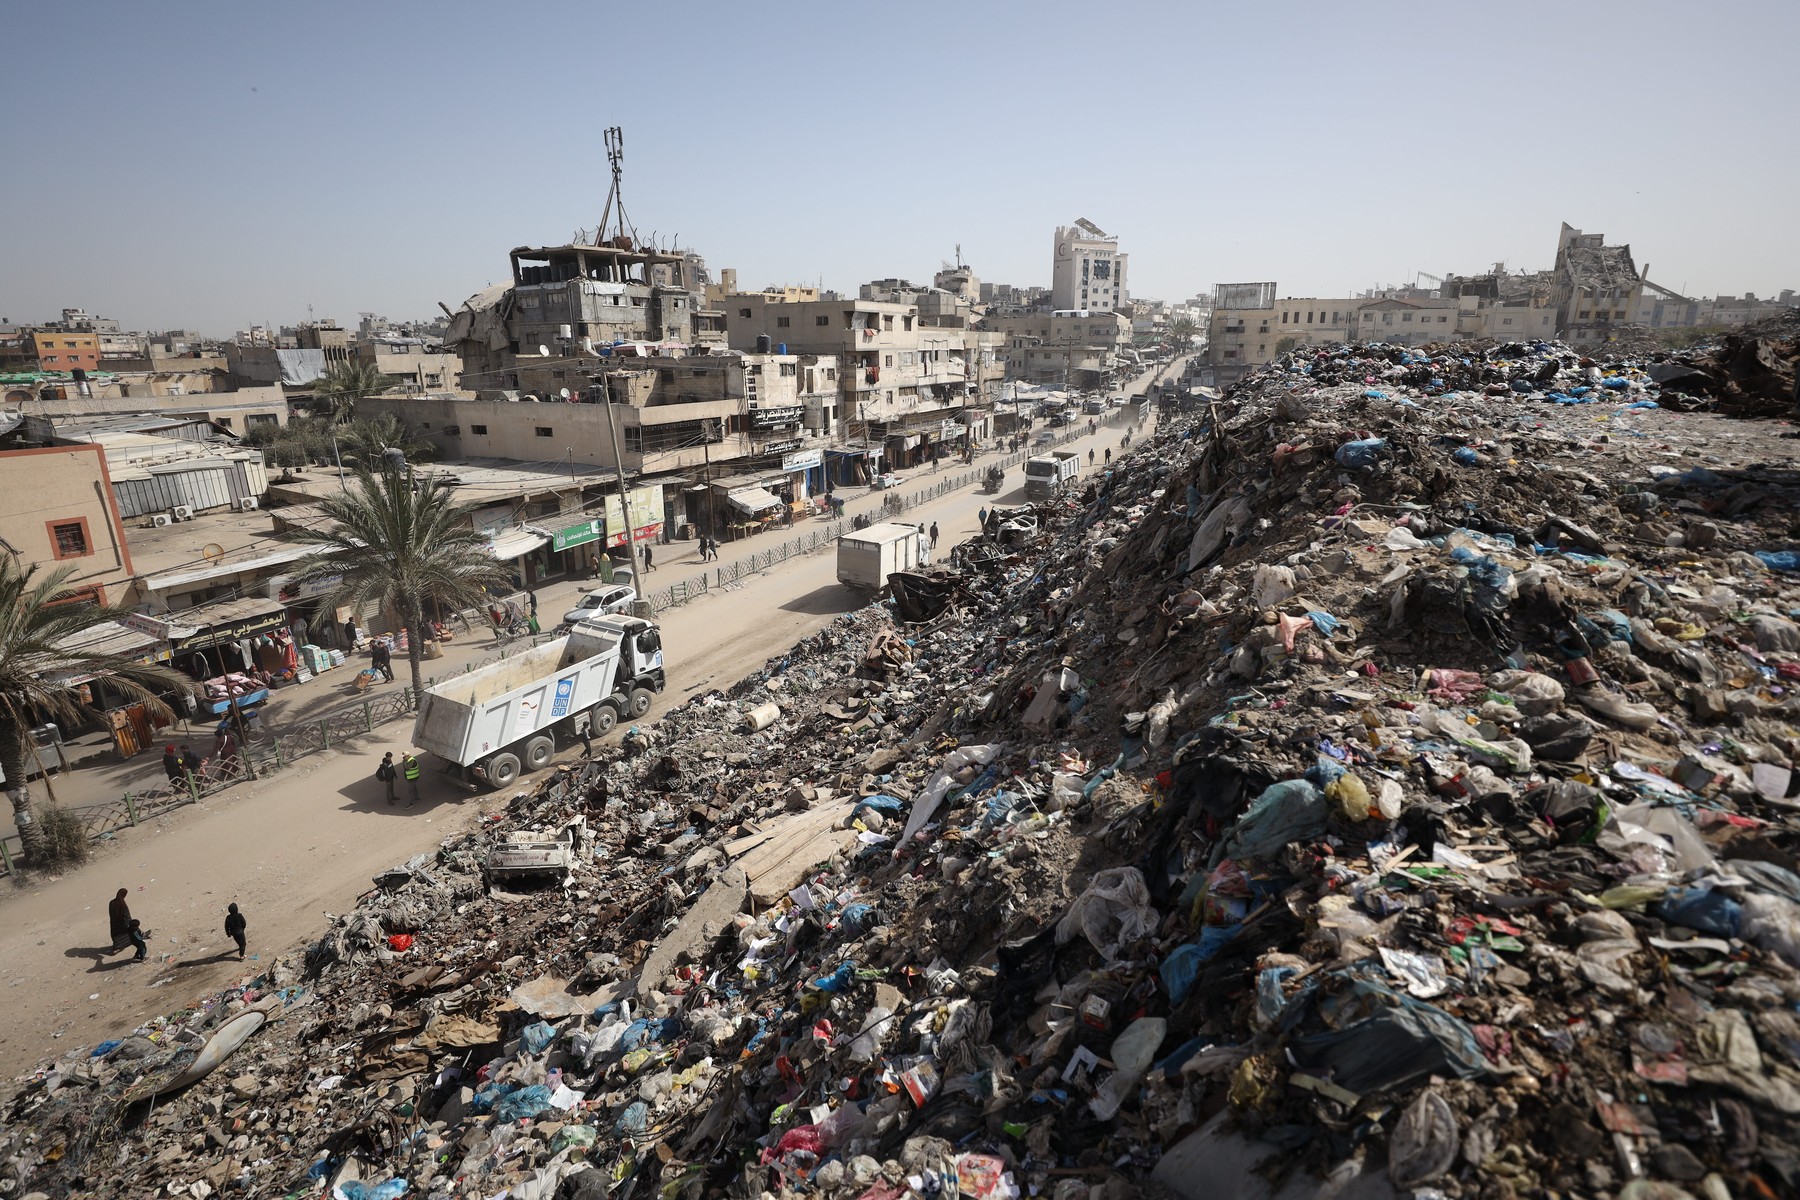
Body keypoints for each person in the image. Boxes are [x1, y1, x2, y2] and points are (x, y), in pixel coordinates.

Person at [109, 888, 132, 953]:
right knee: (130, 934)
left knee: (116, 938)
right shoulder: (123, 904)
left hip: (114, 925)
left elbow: (111, 914)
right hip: (123, 924)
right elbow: (126, 916)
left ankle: (116, 948)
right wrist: (129, 924)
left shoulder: (111, 903)